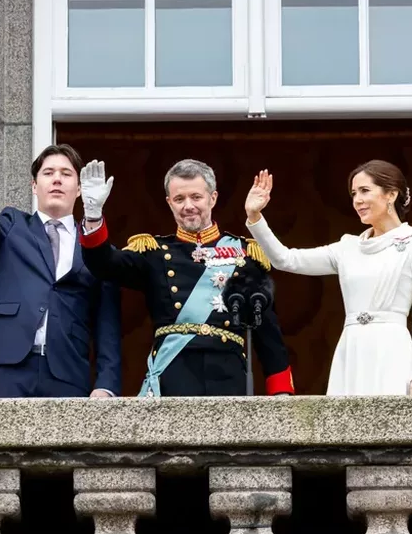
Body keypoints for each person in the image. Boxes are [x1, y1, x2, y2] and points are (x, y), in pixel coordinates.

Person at [0, 110, 121, 398]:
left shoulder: (96, 247)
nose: (56, 180)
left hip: (68, 372)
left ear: (80, 188)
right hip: (7, 367)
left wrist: (106, 385)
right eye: (48, 173)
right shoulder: (11, 227)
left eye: (66, 174)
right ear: (35, 186)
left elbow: (107, 323)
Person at [78, 158, 295, 397]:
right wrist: (93, 215)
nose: (188, 205)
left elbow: (267, 331)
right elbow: (105, 265)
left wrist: (280, 393)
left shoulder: (245, 255)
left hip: (228, 377)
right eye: (179, 199)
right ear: (169, 203)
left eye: (196, 197)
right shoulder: (154, 252)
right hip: (173, 375)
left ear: (212, 198)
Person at [242, 162, 412, 395]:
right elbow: (286, 259)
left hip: (392, 349)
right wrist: (255, 216)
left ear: (391, 194)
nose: (357, 200)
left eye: (365, 191)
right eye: (353, 193)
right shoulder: (348, 247)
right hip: (351, 348)